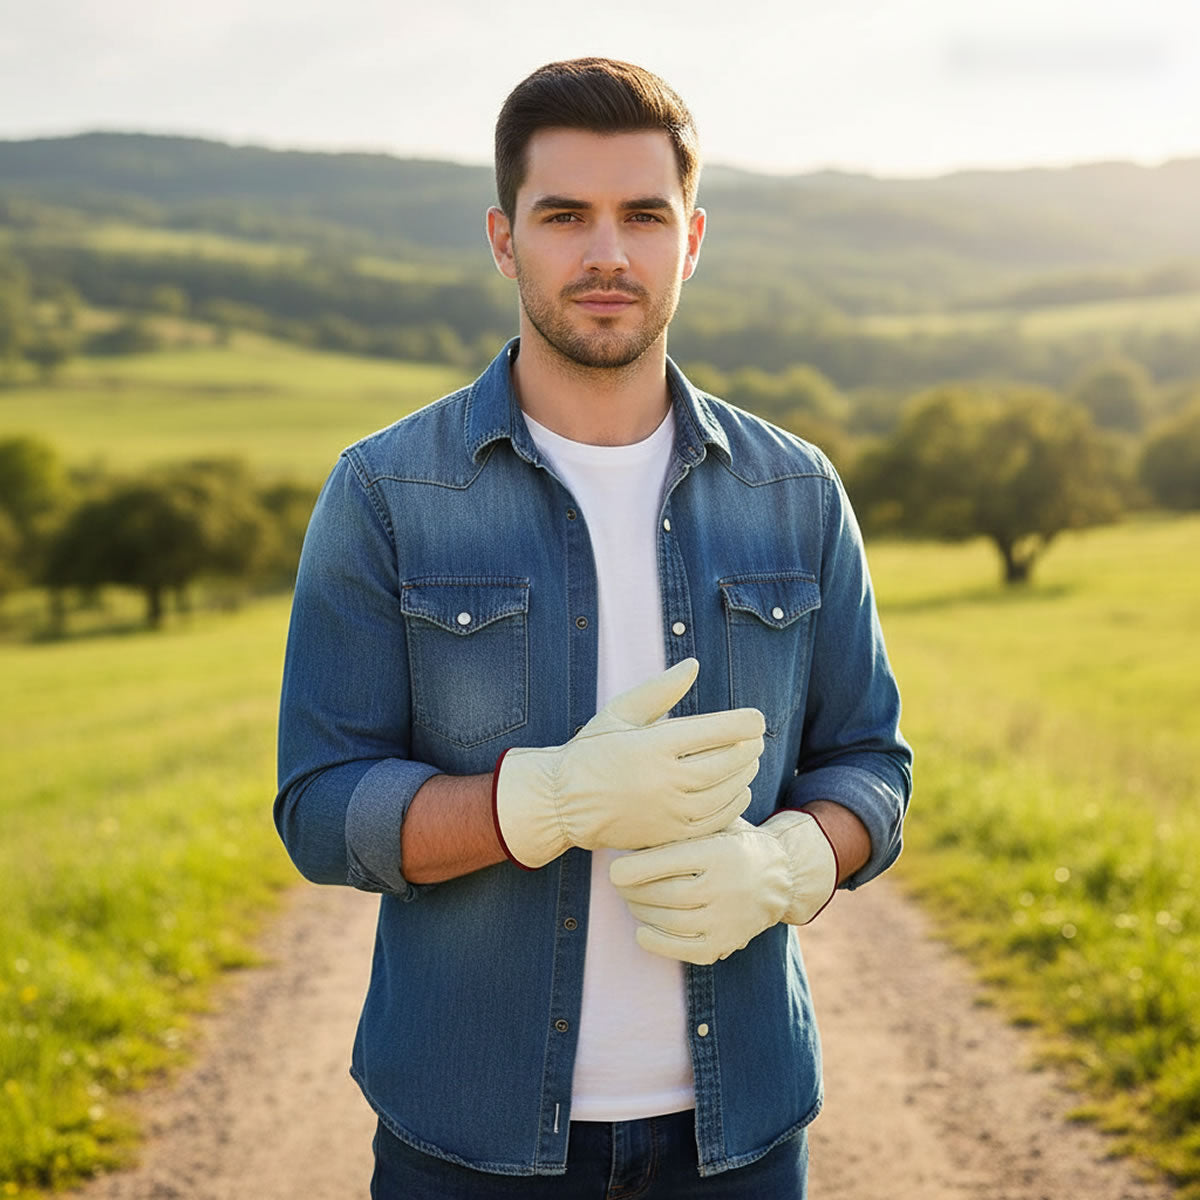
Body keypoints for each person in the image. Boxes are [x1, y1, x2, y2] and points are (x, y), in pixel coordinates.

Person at [275, 56, 912, 1199]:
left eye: (643, 216)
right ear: (505, 238)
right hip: (466, 1143)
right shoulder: (385, 492)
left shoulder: (797, 491)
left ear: (694, 238)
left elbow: (872, 765)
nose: (607, 253)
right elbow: (321, 808)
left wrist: (786, 862)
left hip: (741, 1141)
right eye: (565, 215)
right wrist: (544, 803)